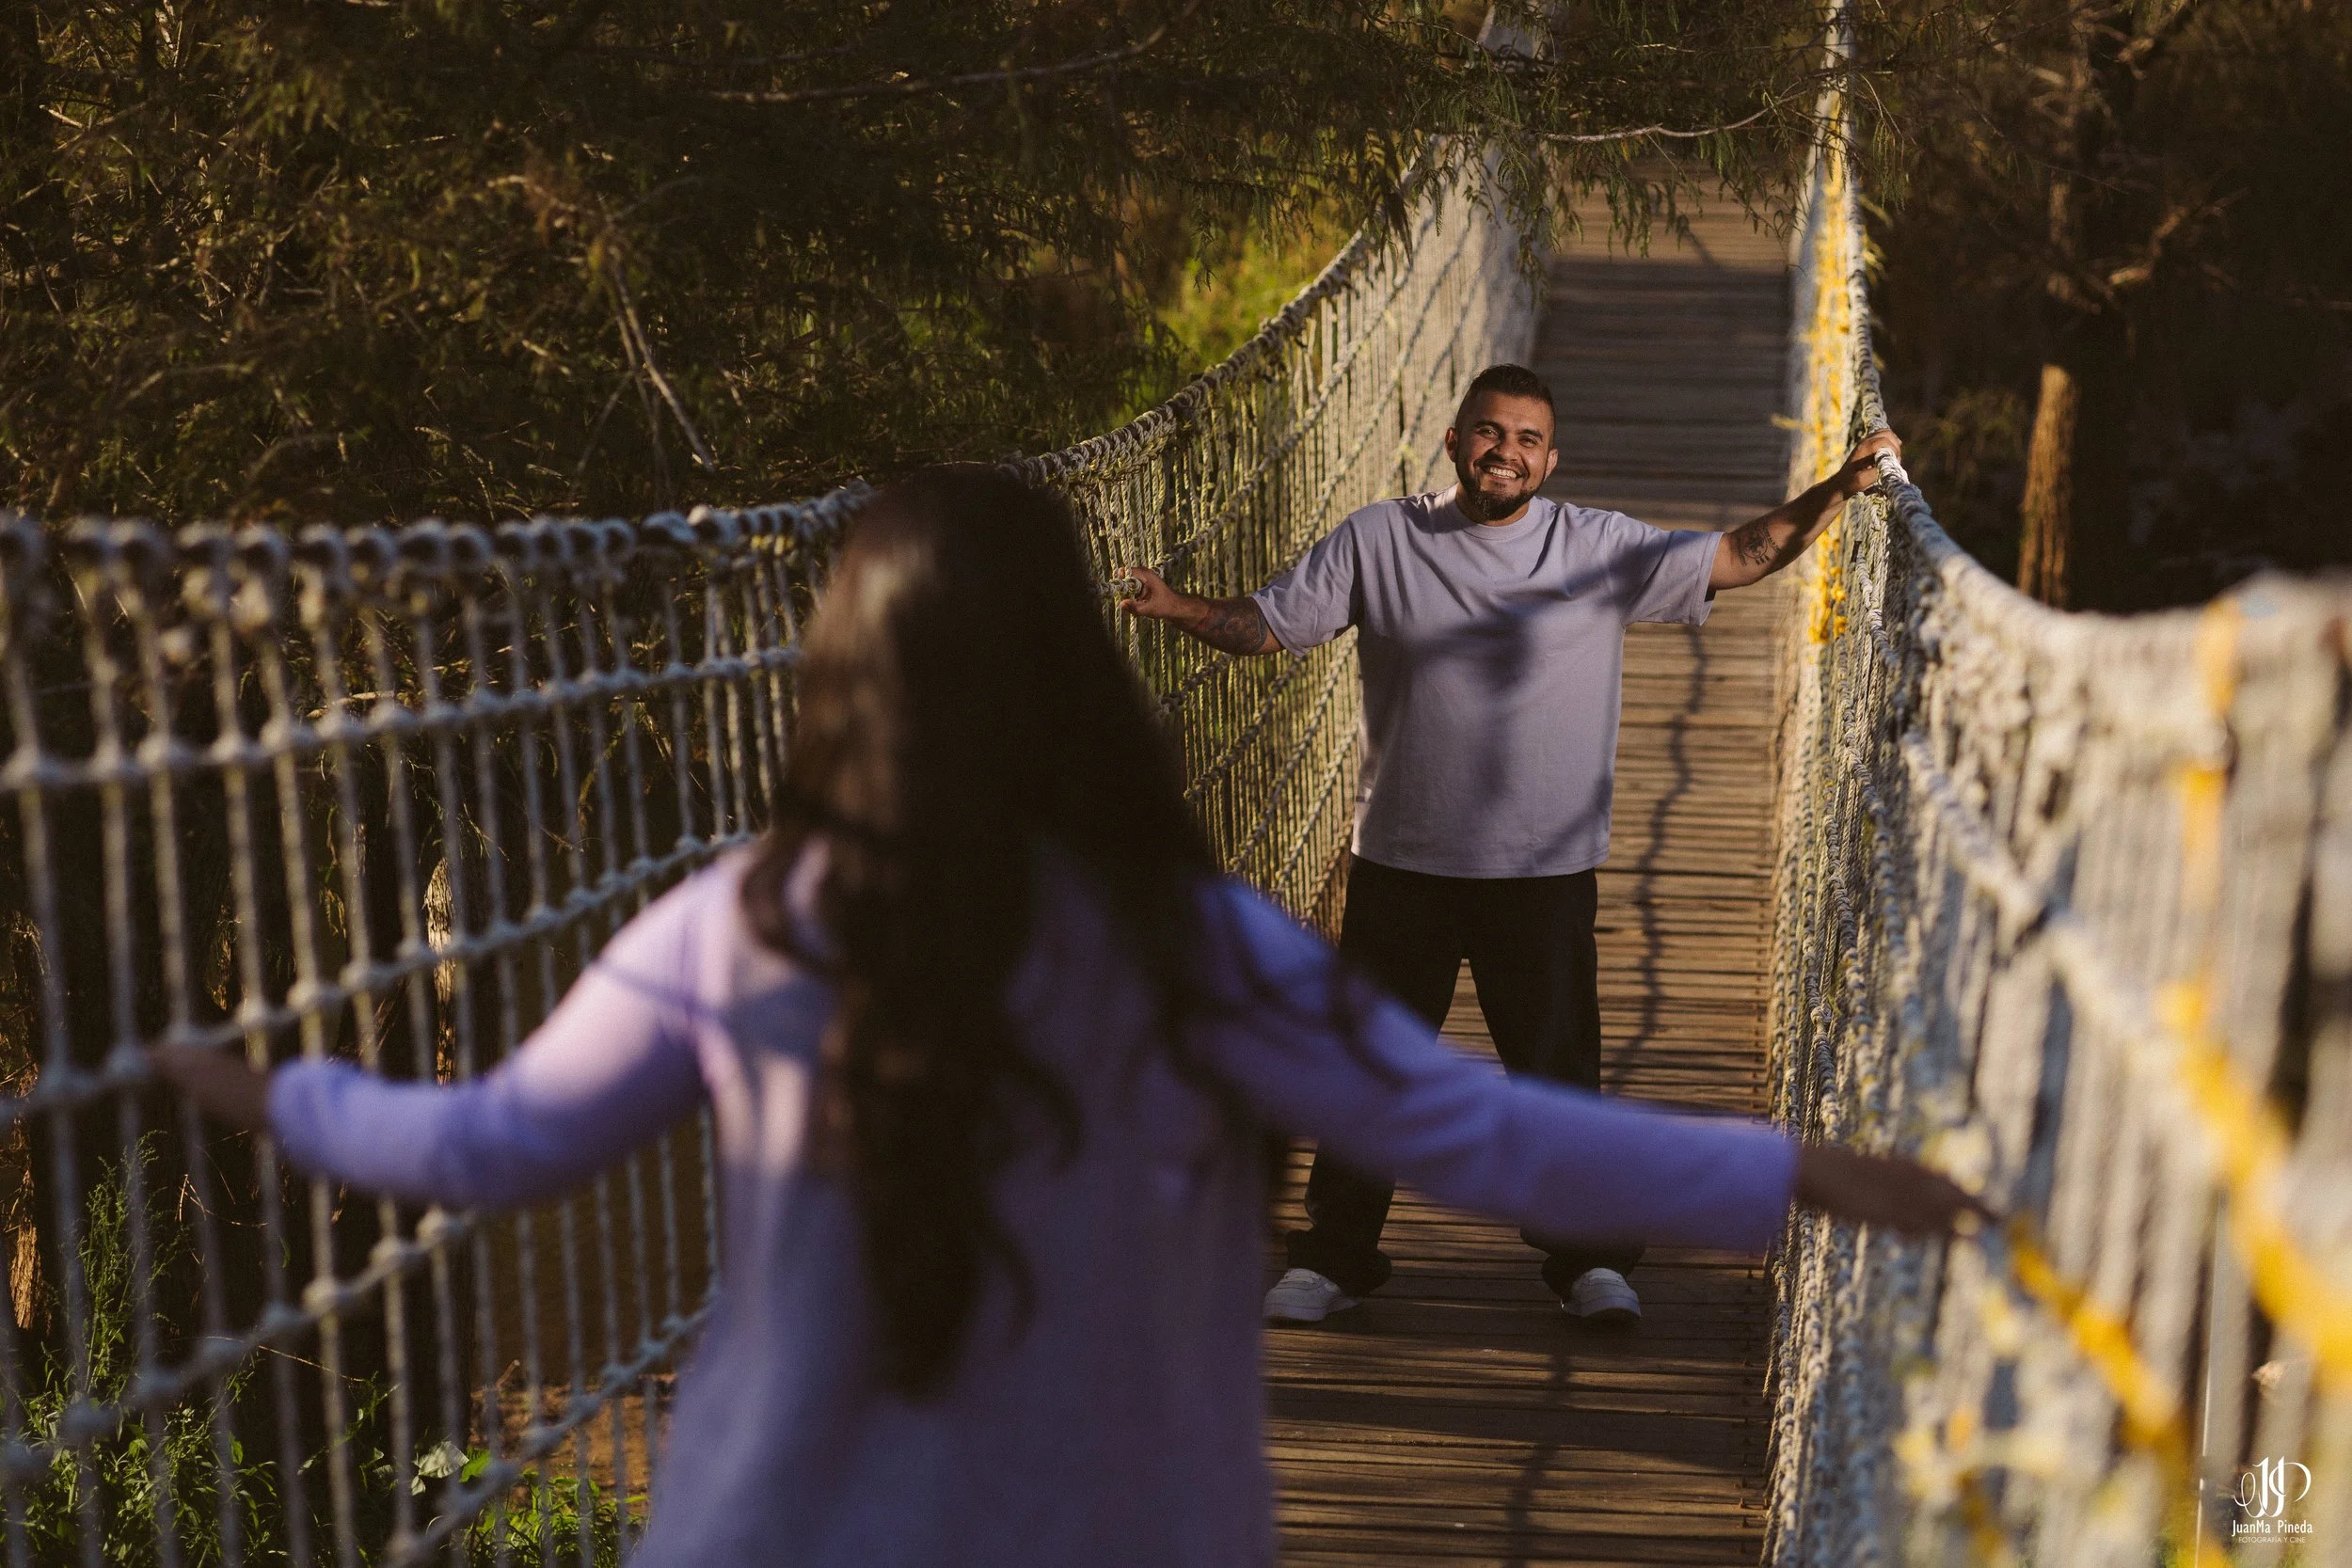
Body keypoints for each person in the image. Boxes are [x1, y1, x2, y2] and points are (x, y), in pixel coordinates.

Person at [158, 467, 1974, 1568]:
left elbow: (486, 1144)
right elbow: (1478, 1128)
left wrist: (270, 1091)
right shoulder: (1199, 946)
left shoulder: (744, 925)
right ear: (1079, 673)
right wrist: (1793, 1167)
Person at [1120, 363, 1903, 1328]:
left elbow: (1742, 554)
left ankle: (1588, 1261)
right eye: (1490, 432)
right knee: (1367, 1062)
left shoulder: (1596, 546)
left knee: (1556, 1070)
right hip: (1402, 859)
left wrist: (1839, 486)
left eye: (1528, 438)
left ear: (1550, 458)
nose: (1507, 452)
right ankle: (1333, 1254)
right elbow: (1267, 626)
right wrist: (1177, 605)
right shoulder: (1382, 536)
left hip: (1542, 869)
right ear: (1455, 442)